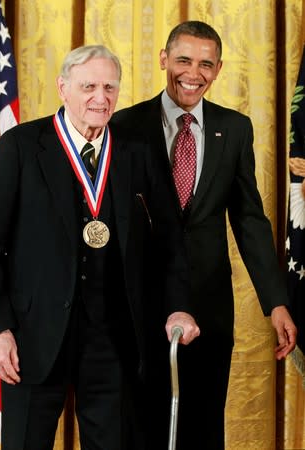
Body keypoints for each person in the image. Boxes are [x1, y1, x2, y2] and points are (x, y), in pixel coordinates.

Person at [0, 44, 200, 450]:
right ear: (63, 88)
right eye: (88, 86)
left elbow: (170, 241)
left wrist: (178, 305)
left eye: (109, 87)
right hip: (32, 337)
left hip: (112, 340)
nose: (100, 97)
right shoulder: (21, 147)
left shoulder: (136, 153)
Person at [111, 21, 297, 450]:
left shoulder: (234, 129)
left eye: (205, 64)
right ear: (163, 59)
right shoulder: (125, 125)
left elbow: (249, 219)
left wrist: (277, 302)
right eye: (183, 60)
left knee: (203, 424)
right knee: (139, 425)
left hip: (209, 304)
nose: (193, 72)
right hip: (139, 303)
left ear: (217, 69)